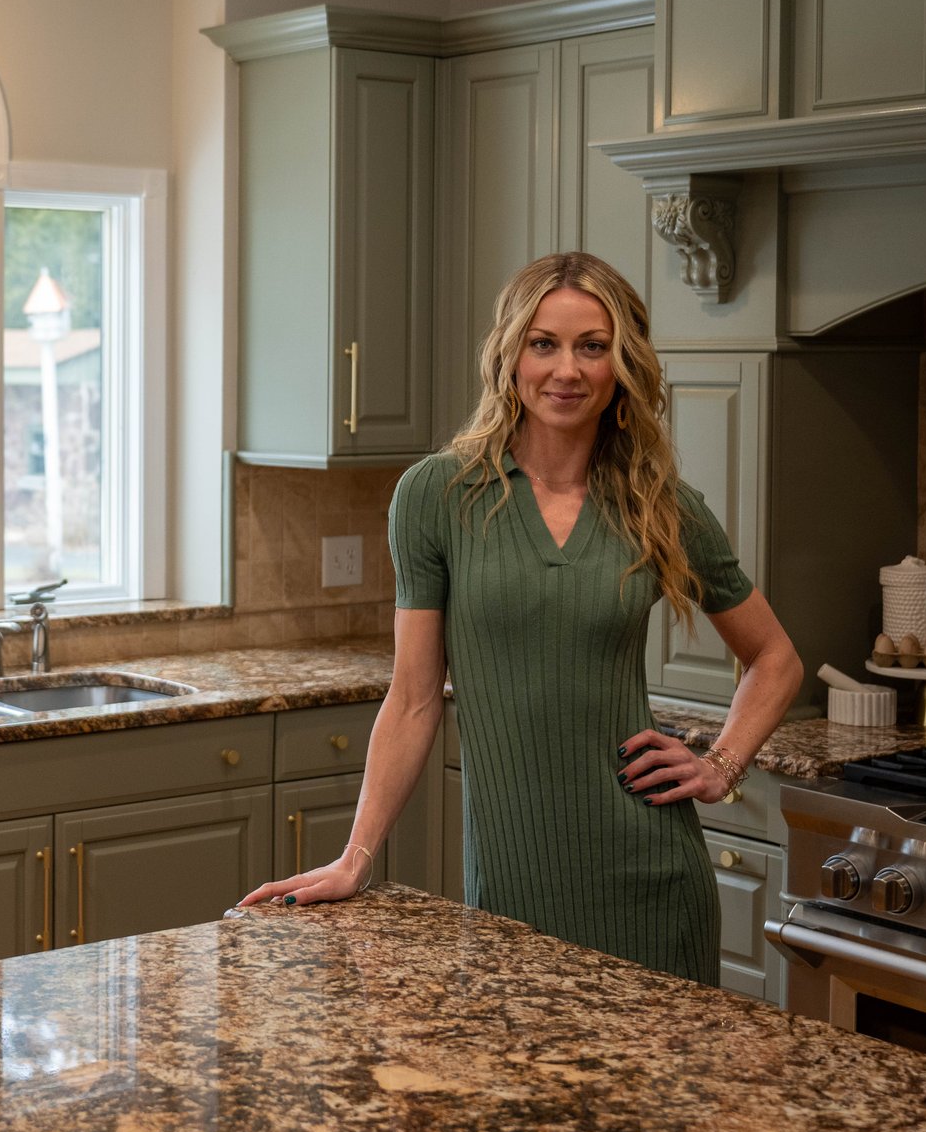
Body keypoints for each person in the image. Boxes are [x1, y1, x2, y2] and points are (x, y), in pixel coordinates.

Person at [238, 252, 803, 982]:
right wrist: (357, 857)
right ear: (511, 356)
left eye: (592, 346)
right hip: (511, 890)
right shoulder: (437, 496)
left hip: (654, 881)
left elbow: (775, 658)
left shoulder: (660, 505)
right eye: (544, 344)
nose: (567, 369)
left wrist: (721, 765)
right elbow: (413, 700)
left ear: (622, 364)